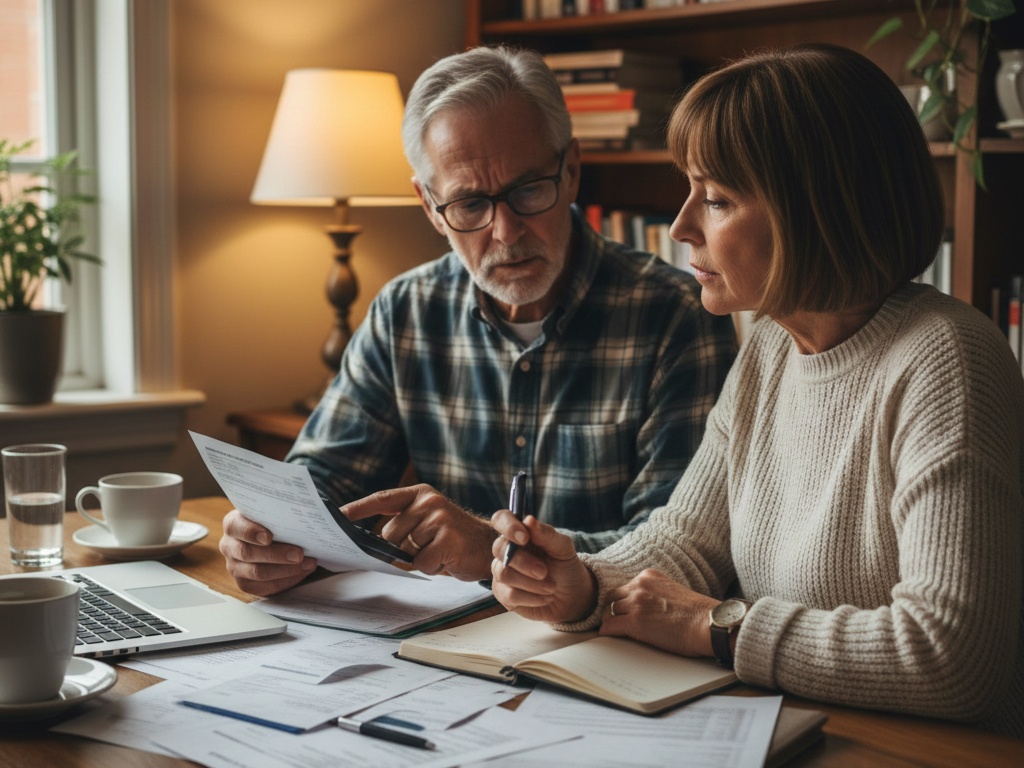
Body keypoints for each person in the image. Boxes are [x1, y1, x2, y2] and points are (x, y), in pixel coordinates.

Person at [490, 43, 1024, 737]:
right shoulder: (773, 344)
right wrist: (583, 586)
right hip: (787, 727)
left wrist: (715, 627)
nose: (682, 226)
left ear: (817, 210)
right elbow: (690, 541)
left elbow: (950, 657)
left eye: (715, 198)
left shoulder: (945, 359)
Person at [220, 46, 737, 595]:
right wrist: (268, 535)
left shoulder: (677, 318)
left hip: (605, 648)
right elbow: (322, 487)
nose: (507, 233)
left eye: (529, 190)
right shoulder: (406, 312)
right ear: (428, 205)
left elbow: (677, 554)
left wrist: (492, 548)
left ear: (571, 171)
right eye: (469, 205)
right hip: (435, 649)